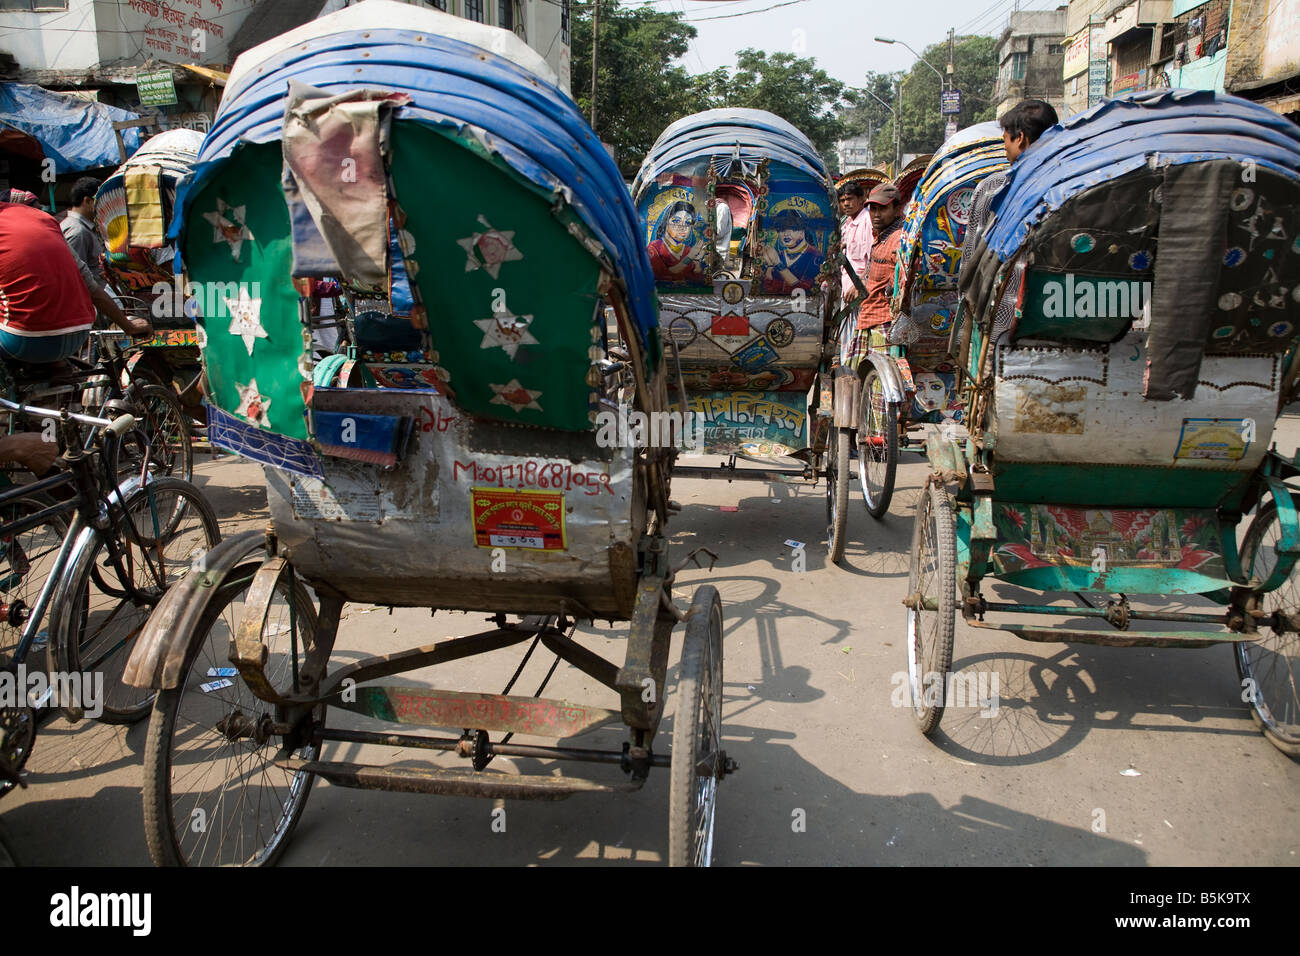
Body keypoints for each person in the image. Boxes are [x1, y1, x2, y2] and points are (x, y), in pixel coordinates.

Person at [0, 201, 149, 364]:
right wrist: (128, 326)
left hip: (23, 341)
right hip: (79, 335)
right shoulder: (42, 217)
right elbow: (90, 285)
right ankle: (56, 366)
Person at [958, 98, 1059, 302]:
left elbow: (970, 260)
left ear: (1020, 138)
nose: (1005, 148)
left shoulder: (994, 188)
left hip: (1003, 308)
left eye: (1006, 139)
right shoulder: (1070, 184)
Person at [57, 177, 147, 336]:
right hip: (93, 308)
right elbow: (76, 279)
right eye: (101, 201)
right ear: (87, 201)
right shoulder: (77, 231)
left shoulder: (85, 228)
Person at [840, 183, 905, 370]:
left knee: (876, 386)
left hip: (883, 321)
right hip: (868, 314)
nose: (876, 214)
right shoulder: (881, 236)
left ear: (896, 209)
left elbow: (899, 284)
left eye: (883, 209)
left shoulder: (898, 239)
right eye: (873, 209)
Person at [761, 208, 822, 294]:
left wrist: (778, 264)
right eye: (782, 230)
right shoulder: (778, 255)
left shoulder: (815, 256)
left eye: (791, 228)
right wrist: (770, 265)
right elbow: (766, 288)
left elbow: (803, 290)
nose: (786, 234)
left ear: (802, 231)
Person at [647, 201, 708, 283]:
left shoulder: (688, 250)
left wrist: (697, 262)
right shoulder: (654, 248)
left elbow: (696, 279)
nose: (683, 227)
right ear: (666, 222)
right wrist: (689, 257)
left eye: (687, 222)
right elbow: (661, 276)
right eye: (676, 221)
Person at [837, 180, 873, 304]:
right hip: (848, 290)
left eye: (849, 199)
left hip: (861, 291)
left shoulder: (867, 222)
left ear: (861, 199)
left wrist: (858, 285)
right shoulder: (847, 224)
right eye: (842, 201)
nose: (846, 204)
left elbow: (872, 260)